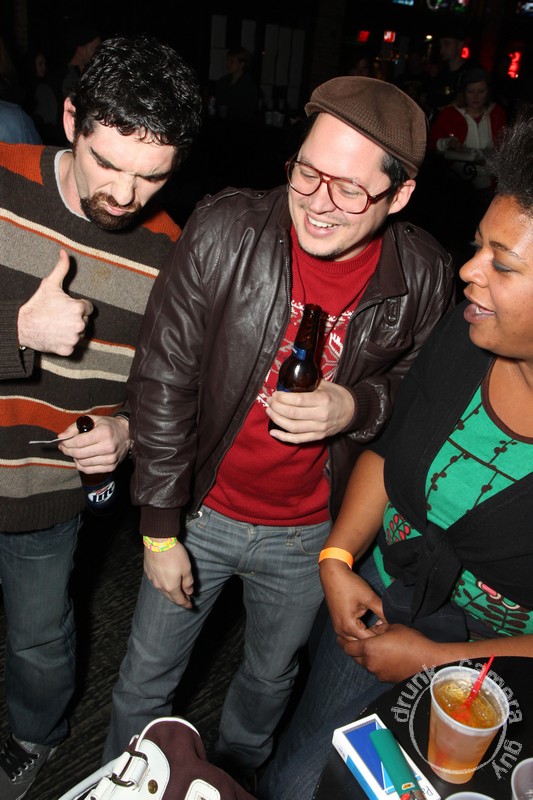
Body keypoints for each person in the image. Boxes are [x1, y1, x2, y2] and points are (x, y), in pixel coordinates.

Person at [102, 75, 456, 787]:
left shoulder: (425, 275)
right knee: (145, 680)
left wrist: (354, 407)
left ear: (399, 195)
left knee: (267, 684)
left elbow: (422, 399)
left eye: (349, 189)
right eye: (307, 172)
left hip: (310, 535)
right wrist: (161, 528)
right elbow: (163, 378)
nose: (318, 203)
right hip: (199, 511)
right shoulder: (225, 228)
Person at [258, 105, 533, 800]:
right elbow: (388, 450)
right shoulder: (463, 334)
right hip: (380, 597)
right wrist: (336, 557)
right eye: (477, 246)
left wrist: (440, 658)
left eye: (501, 264)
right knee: (294, 776)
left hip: (494, 671)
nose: (468, 271)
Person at [0, 33, 201, 800]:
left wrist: (126, 432)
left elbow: (168, 390)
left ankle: (36, 739)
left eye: (151, 176)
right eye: (107, 164)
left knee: (39, 641)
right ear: (70, 118)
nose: (124, 195)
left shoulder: (173, 254)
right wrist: (19, 331)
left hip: (46, 494)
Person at [429, 67, 507, 190]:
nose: (476, 96)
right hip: (457, 184)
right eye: (471, 91)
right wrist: (446, 142)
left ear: (488, 92)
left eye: (481, 91)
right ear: (463, 93)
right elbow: (431, 144)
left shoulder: (497, 113)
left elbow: (504, 147)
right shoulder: (450, 114)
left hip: (491, 184)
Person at [214, 46, 259, 120]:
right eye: (227, 60)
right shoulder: (222, 81)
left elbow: (249, 111)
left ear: (241, 64)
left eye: (232, 61)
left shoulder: (249, 86)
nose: (228, 64)